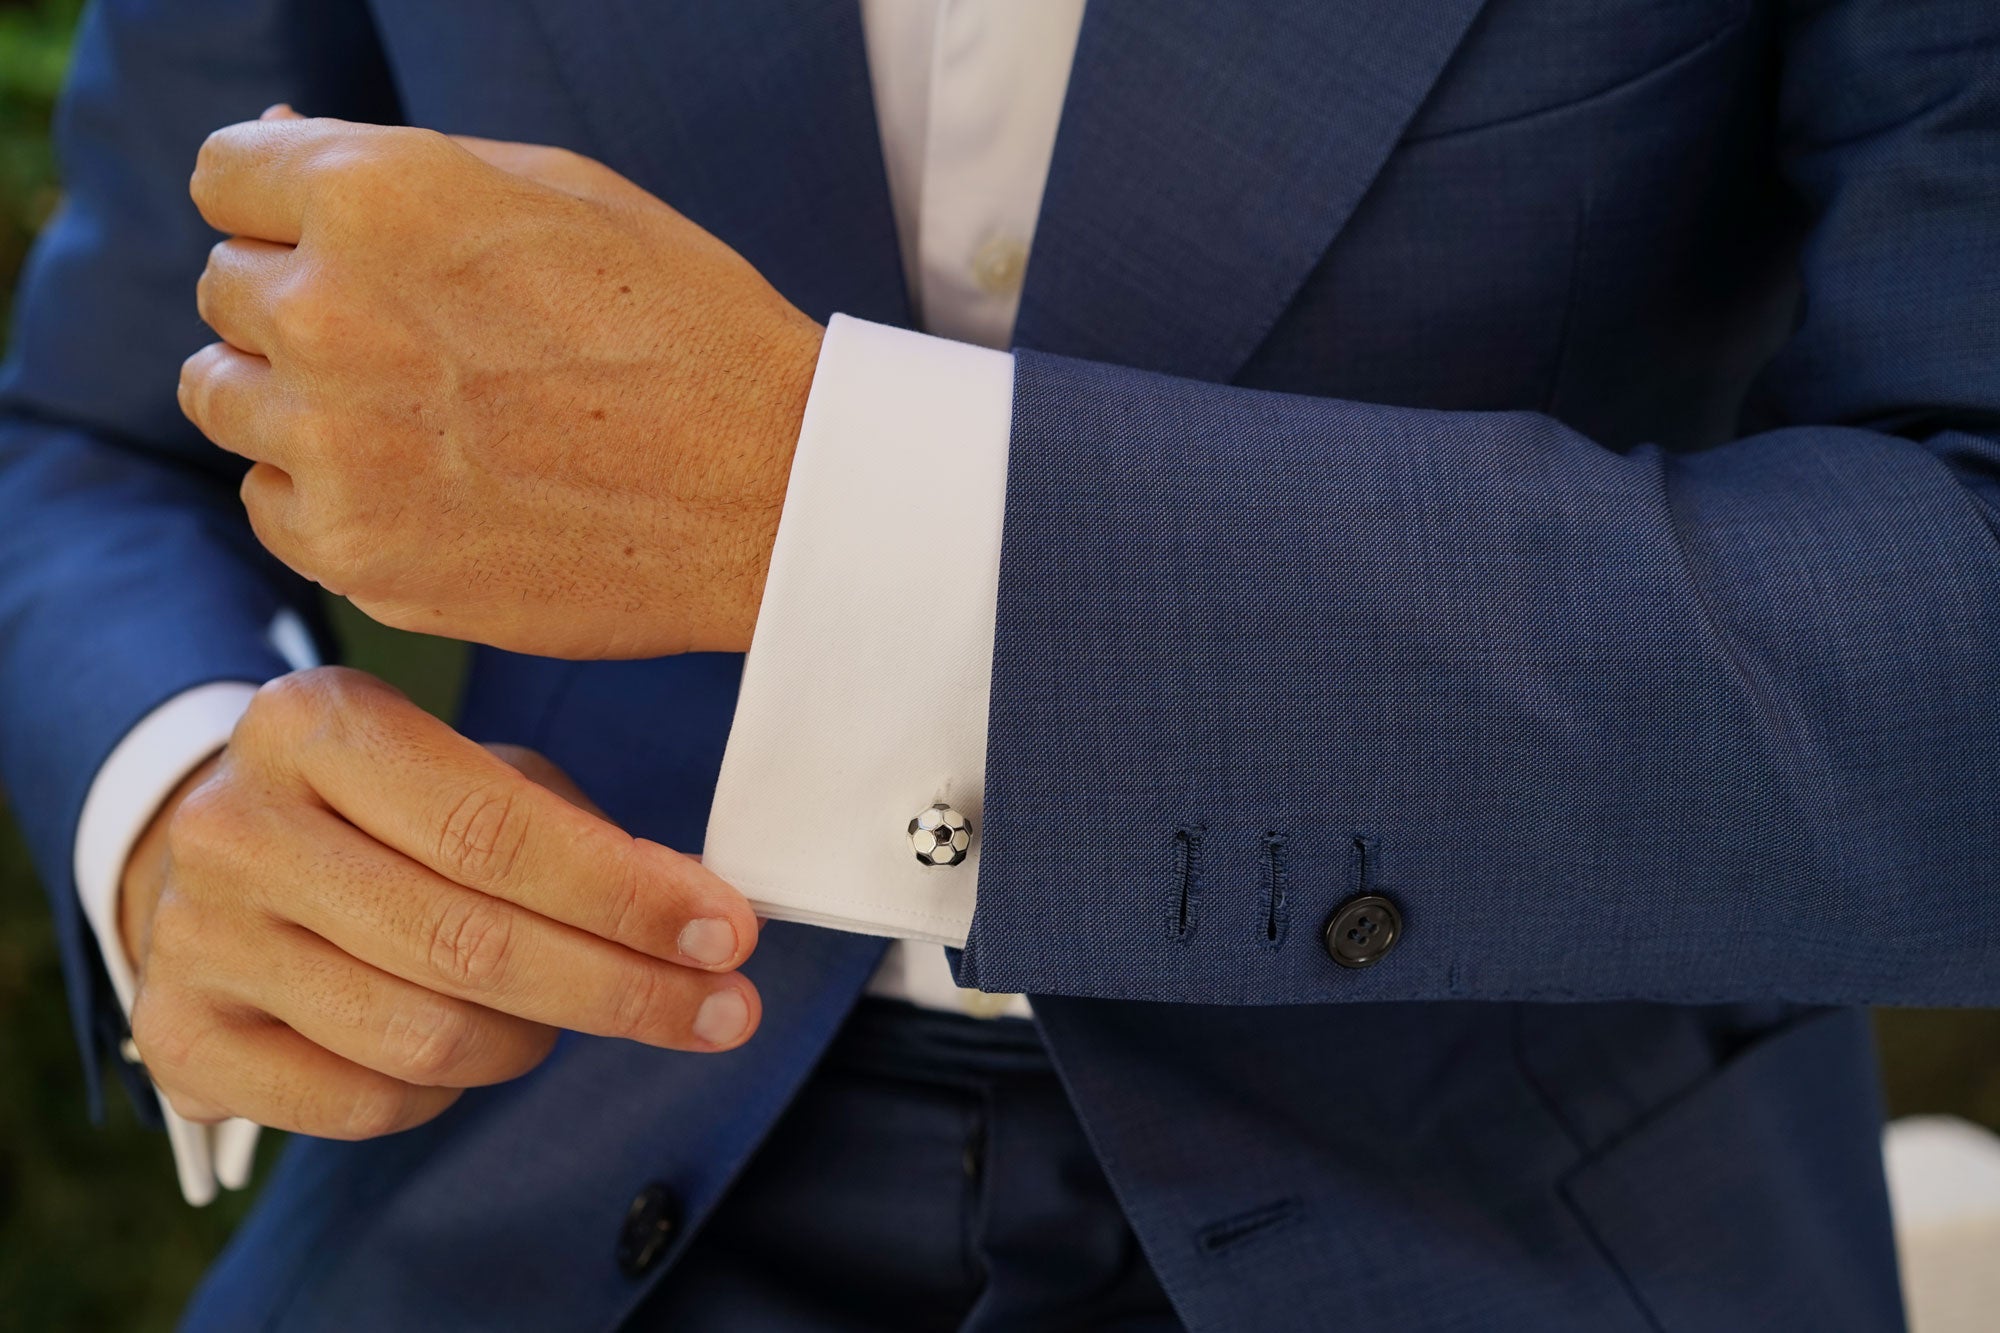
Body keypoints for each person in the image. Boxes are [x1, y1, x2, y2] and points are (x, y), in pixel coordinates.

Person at [0, 0, 1993, 1328]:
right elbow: (90, 429)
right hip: (523, 1174)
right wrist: (179, 792)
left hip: (1509, 1200)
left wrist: (847, 510)